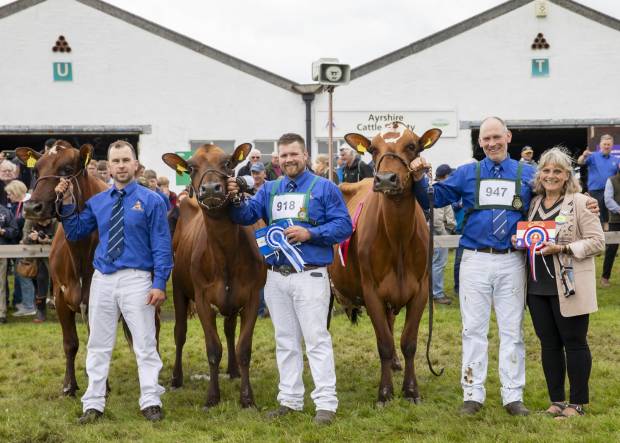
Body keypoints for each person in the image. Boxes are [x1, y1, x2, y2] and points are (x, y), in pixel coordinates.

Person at [411, 116, 536, 416]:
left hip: (512, 259)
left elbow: (558, 193)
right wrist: (418, 178)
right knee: (473, 329)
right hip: (475, 259)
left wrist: (586, 203)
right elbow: (435, 196)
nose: (492, 143)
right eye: (486, 139)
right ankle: (472, 393)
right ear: (479, 143)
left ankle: (512, 395)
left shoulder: (528, 173)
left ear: (507, 136)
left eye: (497, 137)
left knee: (512, 330)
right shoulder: (468, 173)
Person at [227, 133, 352, 425]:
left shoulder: (324, 188)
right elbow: (246, 215)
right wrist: (233, 197)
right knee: (285, 340)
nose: (288, 160)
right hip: (275, 277)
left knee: (316, 339)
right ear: (277, 160)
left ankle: (325, 403)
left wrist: (311, 233)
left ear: (305, 155)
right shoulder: (269, 189)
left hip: (310, 274)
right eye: (283, 156)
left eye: (293, 154)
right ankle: (290, 400)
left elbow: (344, 225)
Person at [54, 140, 172, 424]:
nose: (120, 166)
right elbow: (78, 230)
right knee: (98, 343)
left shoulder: (152, 200)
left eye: (125, 160)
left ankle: (150, 400)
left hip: (138, 279)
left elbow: (162, 244)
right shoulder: (98, 202)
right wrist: (68, 201)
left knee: (145, 343)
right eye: (115, 161)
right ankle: (93, 403)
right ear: (108, 168)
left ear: (135, 165)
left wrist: (159, 283)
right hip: (103, 280)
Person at [518, 147, 604, 419]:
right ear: (539, 174)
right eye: (545, 170)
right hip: (537, 286)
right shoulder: (533, 203)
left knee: (574, 342)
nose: (550, 175)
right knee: (548, 344)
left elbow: (597, 242)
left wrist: (563, 249)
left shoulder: (580, 202)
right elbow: (530, 238)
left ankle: (577, 404)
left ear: (567, 175)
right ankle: (556, 400)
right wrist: (519, 241)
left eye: (557, 171)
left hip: (569, 284)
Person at [577, 134, 619, 227]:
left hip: (610, 192)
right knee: (595, 215)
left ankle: (610, 237)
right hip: (595, 191)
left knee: (610, 216)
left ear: (612, 146)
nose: (606, 146)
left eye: (608, 144)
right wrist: (583, 156)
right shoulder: (593, 156)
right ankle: (597, 236)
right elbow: (580, 162)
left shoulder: (616, 160)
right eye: (605, 144)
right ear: (600, 145)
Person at [20, 217, 57, 322]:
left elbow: (59, 238)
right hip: (33, 258)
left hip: (51, 258)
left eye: (46, 221)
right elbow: (24, 240)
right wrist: (32, 238)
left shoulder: (54, 221)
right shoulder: (30, 220)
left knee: (43, 280)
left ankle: (42, 312)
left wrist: (47, 240)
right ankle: (40, 310)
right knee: (36, 283)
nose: (44, 223)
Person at [432, 164, 456, 305]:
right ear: (445, 176)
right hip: (440, 231)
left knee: (436, 262)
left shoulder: (440, 188)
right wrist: (444, 235)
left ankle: (434, 292)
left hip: (441, 230)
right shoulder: (440, 189)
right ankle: (437, 294)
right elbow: (436, 219)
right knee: (438, 263)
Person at [0, 199, 19, 323]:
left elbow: (14, 231)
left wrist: (3, 231)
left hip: (2, 251)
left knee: (1, 284)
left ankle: (1, 313)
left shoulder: (4, 211)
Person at [601, 163, 620, 287]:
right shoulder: (611, 181)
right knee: (611, 250)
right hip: (616, 221)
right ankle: (604, 278)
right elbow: (608, 200)